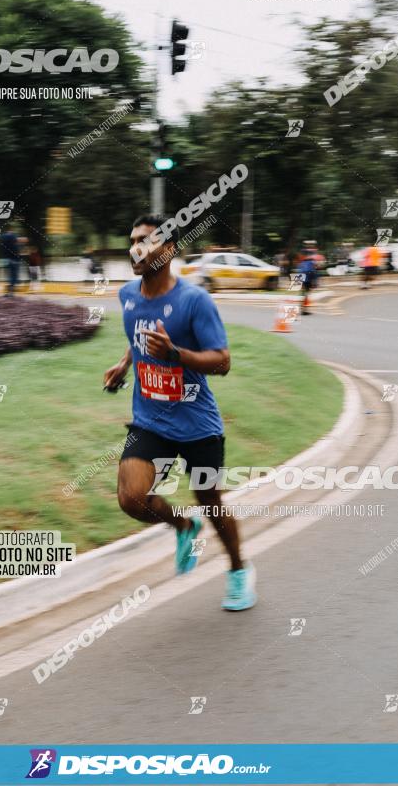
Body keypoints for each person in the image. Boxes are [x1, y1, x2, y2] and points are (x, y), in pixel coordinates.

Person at [103, 214, 256, 611]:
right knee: (131, 498)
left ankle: (239, 571)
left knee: (211, 502)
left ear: (168, 250)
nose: (135, 247)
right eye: (132, 240)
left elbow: (222, 361)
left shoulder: (194, 301)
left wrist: (176, 355)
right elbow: (139, 337)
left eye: (145, 241)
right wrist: (125, 364)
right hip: (151, 419)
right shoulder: (127, 296)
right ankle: (183, 526)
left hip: (197, 423)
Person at [0, 225, 21, 295]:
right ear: (11, 230)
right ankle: (11, 291)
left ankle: (10, 290)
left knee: (9, 275)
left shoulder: (2, 237)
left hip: (5, 258)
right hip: (13, 259)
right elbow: (16, 249)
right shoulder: (13, 237)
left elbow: (1, 248)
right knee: (14, 274)